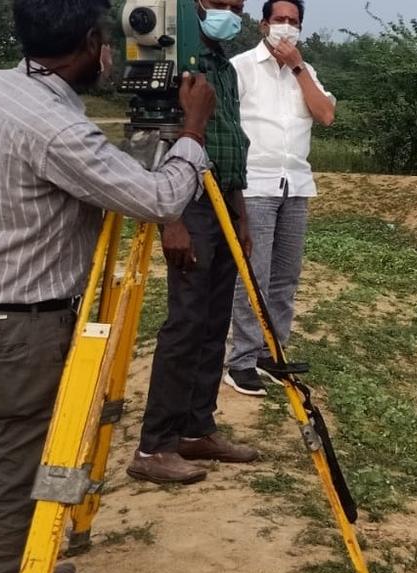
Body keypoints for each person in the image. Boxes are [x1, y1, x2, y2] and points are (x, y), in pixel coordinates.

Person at [0, 0, 216, 573]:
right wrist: (191, 127)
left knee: (19, 451)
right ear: (91, 43)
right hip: (23, 327)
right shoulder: (56, 131)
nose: (114, 54)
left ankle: (28, 563)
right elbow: (158, 198)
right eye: (108, 44)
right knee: (18, 467)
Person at [129, 0, 261, 485]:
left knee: (213, 319)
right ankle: (155, 445)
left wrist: (242, 215)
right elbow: (166, 140)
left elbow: (229, 141)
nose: (228, 11)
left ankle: (196, 429)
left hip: (224, 198)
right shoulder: (180, 62)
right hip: (189, 203)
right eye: (217, 2)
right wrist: (172, 219)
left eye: (235, 5)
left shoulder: (222, 66)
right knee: (186, 322)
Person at [224, 0, 335, 396]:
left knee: (285, 276)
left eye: (294, 22)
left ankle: (273, 351)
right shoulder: (240, 68)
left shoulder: (305, 72)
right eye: (280, 20)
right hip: (255, 183)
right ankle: (241, 359)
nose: (286, 27)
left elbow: (325, 115)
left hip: (296, 184)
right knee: (254, 274)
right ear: (263, 24)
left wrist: (299, 67)